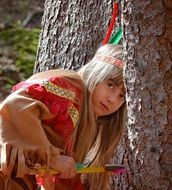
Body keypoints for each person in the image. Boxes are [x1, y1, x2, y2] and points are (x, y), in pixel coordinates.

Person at [0, 44, 126, 190]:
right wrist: (52, 158)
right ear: (95, 73)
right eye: (110, 84)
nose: (112, 99)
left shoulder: (88, 121)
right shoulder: (69, 90)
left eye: (122, 95)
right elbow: (14, 105)